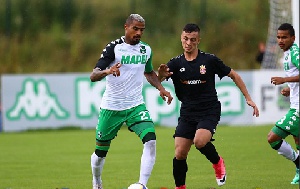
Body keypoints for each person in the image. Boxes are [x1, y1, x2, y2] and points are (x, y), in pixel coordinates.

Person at [157, 23, 260, 189]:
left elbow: (233, 74)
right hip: (187, 112)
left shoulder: (209, 60)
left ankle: (218, 162)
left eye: (192, 40)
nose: (188, 43)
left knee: (199, 141)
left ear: (198, 40)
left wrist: (248, 98)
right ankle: (180, 187)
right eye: (185, 39)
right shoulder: (175, 63)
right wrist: (160, 77)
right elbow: (158, 80)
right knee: (179, 153)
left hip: (209, 110)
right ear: (181, 38)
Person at [89, 14, 173, 189]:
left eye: (142, 30)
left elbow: (148, 73)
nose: (139, 33)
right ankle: (97, 181)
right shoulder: (114, 48)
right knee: (100, 153)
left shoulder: (146, 50)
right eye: (135, 28)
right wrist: (107, 71)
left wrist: (161, 88)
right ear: (125, 27)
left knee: (150, 140)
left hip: (135, 105)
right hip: (112, 107)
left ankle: (142, 185)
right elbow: (93, 75)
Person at [268, 23, 299, 185]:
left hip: (298, 109)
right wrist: (289, 87)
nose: (280, 40)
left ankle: (299, 163)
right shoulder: (287, 54)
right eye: (278, 37)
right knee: (297, 139)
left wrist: (284, 80)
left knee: (272, 138)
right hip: (295, 104)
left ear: (292, 38)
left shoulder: (295, 52)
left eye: (284, 37)